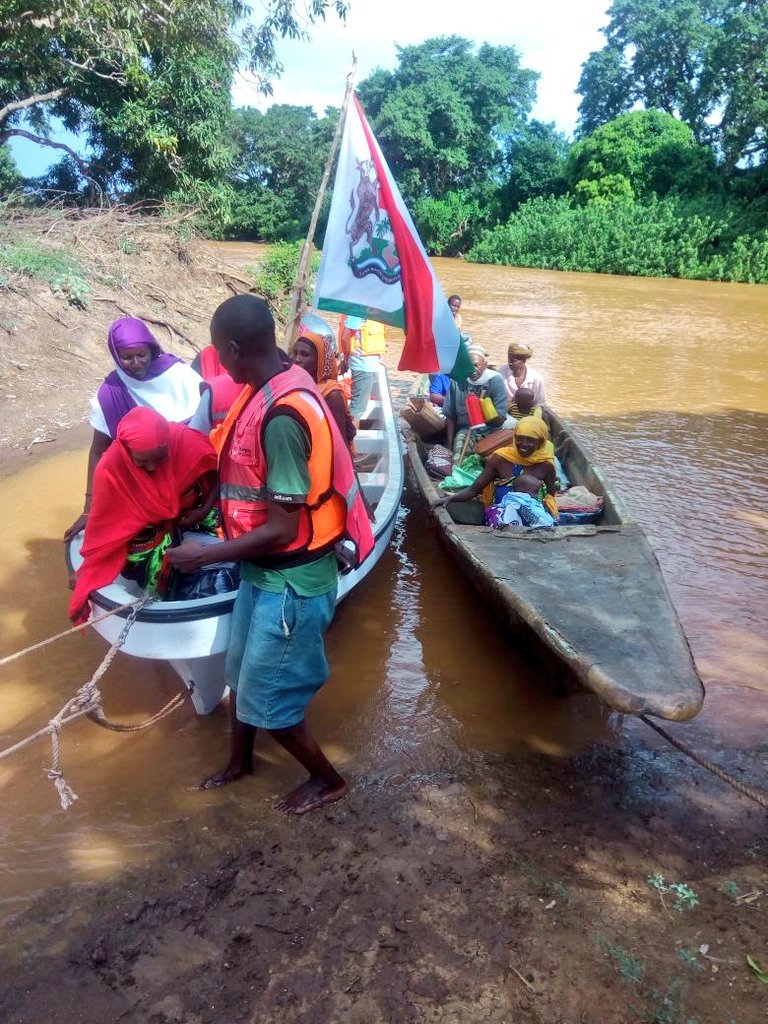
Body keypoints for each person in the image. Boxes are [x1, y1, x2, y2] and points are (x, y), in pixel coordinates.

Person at [166, 294, 374, 815]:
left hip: (291, 583)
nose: (218, 361)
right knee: (240, 679)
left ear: (235, 349)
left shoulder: (282, 416)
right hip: (261, 573)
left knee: (272, 699)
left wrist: (203, 557)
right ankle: (240, 763)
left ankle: (327, 780)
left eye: (219, 351)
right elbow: (243, 475)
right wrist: (203, 513)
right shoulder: (268, 386)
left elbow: (283, 528)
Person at [68, 407, 219, 625]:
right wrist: (89, 570)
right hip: (148, 538)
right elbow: (104, 526)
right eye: (142, 463)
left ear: (168, 443)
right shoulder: (110, 470)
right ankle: (163, 601)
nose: (153, 466)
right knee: (155, 569)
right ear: (126, 452)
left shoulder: (185, 441)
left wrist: (203, 510)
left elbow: (221, 474)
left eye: (160, 458)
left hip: (197, 518)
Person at [64, 318, 203, 541]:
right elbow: (99, 452)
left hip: (191, 486)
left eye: (141, 355)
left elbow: (208, 433)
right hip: (143, 490)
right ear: (115, 356)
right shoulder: (110, 394)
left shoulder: (180, 376)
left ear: (152, 350)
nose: (136, 363)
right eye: (127, 358)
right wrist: (89, 509)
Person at [434, 416, 558, 520]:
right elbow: (474, 489)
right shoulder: (500, 458)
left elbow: (550, 496)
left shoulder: (546, 465)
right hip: (498, 517)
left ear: (541, 442)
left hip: (532, 519)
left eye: (531, 440)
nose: (524, 444)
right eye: (520, 438)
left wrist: (546, 509)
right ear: (514, 437)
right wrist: (450, 498)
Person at [443, 344, 511, 457]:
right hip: (466, 430)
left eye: (476, 365)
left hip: (491, 431)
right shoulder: (457, 380)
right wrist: (449, 445)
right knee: (459, 452)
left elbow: (500, 419)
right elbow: (450, 416)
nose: (472, 370)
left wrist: (483, 413)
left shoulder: (495, 380)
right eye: (468, 366)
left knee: (495, 458)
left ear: (485, 365)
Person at [291, 331, 355, 448]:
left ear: (319, 359)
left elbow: (339, 440)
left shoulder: (331, 394)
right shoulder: (295, 385)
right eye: (295, 353)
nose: (297, 359)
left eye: (304, 354)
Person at [338, 314, 387, 425]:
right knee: (357, 409)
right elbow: (345, 337)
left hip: (366, 366)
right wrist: (346, 357)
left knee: (358, 407)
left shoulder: (368, 312)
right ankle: (350, 435)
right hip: (363, 365)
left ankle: (349, 433)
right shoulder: (358, 312)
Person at [500, 342, 547, 415]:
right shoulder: (500, 374)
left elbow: (540, 403)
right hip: (506, 414)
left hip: (529, 415)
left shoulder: (536, 378)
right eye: (509, 359)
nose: (510, 363)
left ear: (524, 360)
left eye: (514, 361)